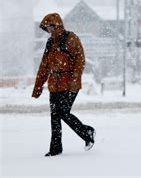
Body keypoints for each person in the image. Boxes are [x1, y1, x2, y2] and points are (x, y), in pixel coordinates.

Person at [32, 13, 95, 157]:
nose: (48, 29)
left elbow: (80, 61)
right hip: (54, 85)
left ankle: (87, 132)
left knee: (63, 113)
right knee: (55, 117)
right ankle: (55, 148)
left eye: (50, 26)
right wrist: (38, 86)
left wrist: (75, 79)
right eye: (46, 27)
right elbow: (44, 66)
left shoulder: (70, 39)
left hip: (69, 84)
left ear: (57, 25)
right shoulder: (50, 43)